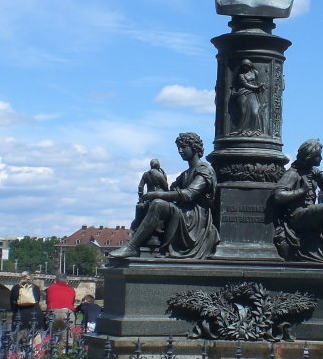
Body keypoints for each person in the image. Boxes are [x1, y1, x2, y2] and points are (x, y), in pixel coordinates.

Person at [110, 132, 219, 260]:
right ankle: (149, 242)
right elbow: (171, 189)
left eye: (183, 147)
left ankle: (132, 247)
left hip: (194, 217)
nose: (180, 151)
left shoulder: (204, 170)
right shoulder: (185, 174)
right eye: (178, 147)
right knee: (145, 204)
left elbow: (188, 194)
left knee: (158, 204)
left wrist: (158, 194)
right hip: (183, 211)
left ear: (194, 147)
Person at [272, 138, 323, 262]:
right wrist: (301, 191)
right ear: (309, 157)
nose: (321, 158)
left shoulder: (314, 172)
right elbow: (277, 196)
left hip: (309, 213)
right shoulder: (293, 174)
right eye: (318, 156)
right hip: (297, 216)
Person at [131, 158, 169, 232]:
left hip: (148, 197)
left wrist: (141, 199)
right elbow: (166, 186)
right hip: (159, 196)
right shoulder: (159, 174)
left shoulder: (146, 174)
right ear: (158, 165)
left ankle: (137, 225)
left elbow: (140, 187)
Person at [229, 59, 265, 135]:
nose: (245, 68)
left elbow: (257, 82)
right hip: (244, 93)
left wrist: (261, 86)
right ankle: (241, 130)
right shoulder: (241, 75)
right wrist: (256, 88)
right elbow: (245, 85)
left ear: (250, 65)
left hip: (253, 94)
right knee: (243, 112)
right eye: (244, 66)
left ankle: (254, 130)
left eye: (246, 66)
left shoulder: (255, 72)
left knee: (255, 112)